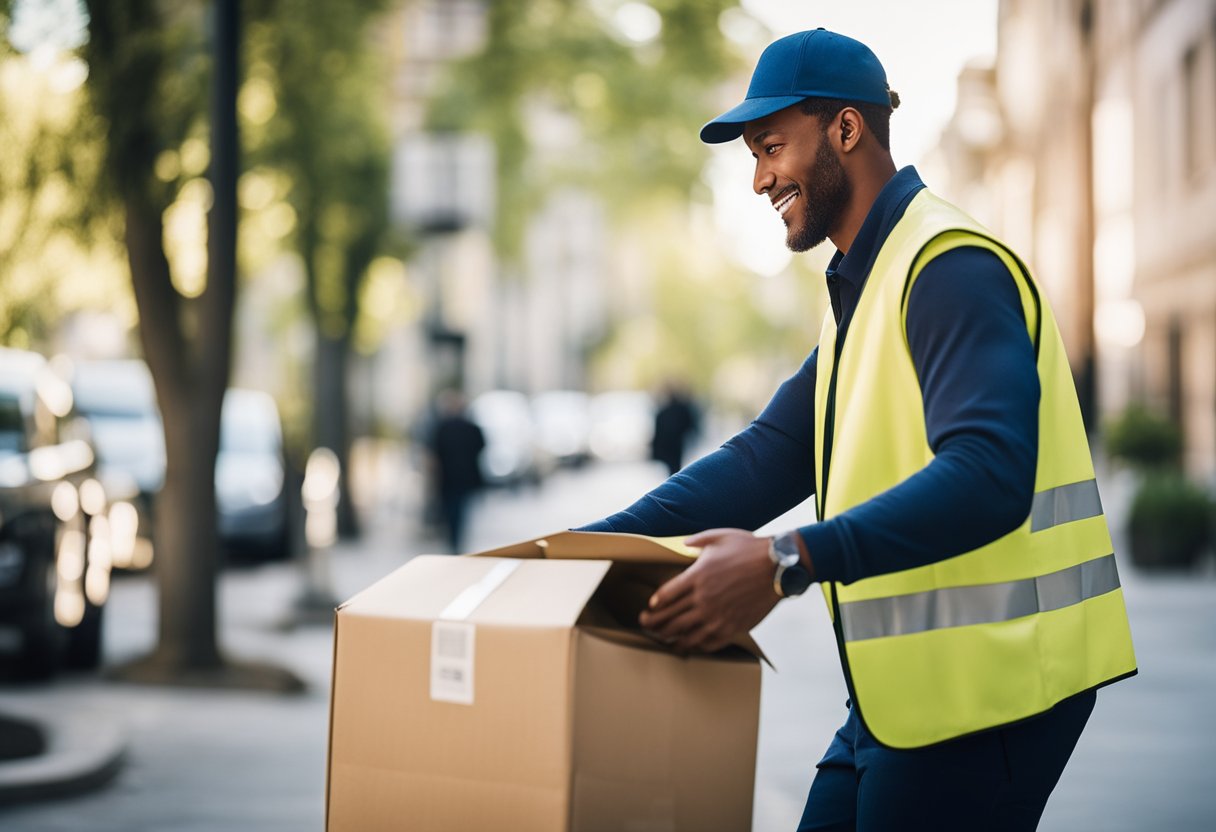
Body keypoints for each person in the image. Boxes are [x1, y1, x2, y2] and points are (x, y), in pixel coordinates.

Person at [577, 28, 1136, 831]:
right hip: (901, 701)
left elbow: (989, 474)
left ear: (846, 130)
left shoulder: (949, 266)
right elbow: (763, 458)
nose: (762, 178)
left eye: (771, 147)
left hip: (996, 697)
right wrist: (575, 551)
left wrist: (784, 561)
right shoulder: (866, 288)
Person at [428, 389, 485, 553]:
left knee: (453, 510)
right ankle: (456, 540)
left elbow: (434, 453)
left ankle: (454, 540)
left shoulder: (442, 427)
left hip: (448, 478)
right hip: (463, 478)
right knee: (460, 511)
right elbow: (481, 446)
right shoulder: (470, 427)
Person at [651, 381, 699, 476]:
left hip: (671, 445)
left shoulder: (665, 411)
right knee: (674, 466)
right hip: (675, 444)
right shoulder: (679, 409)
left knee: (673, 467)